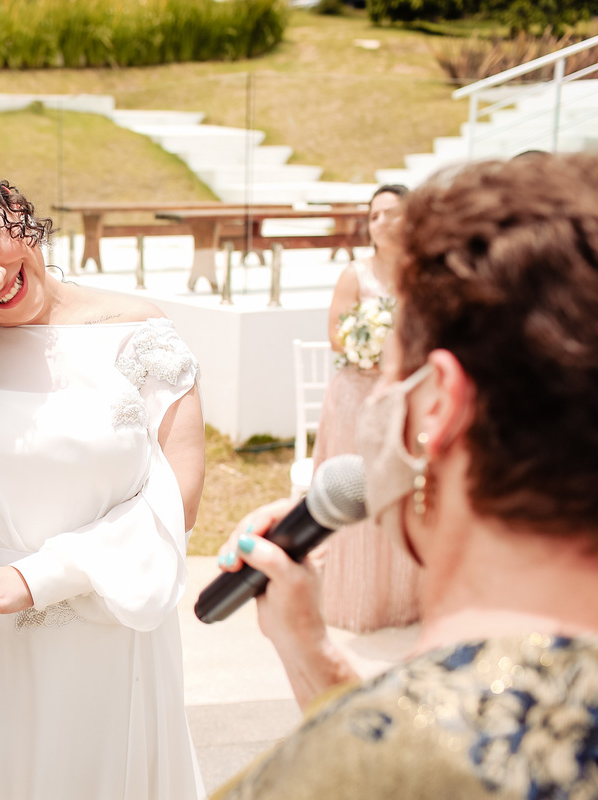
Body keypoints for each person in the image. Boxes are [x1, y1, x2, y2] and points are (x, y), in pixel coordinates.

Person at [213, 154, 598, 799]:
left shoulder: (325, 778)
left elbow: (402, 764)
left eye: (393, 373)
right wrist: (310, 653)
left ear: (435, 406)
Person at [0, 161, 208, 799]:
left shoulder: (140, 333)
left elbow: (179, 499)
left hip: (116, 634)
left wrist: (37, 578)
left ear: (16, 208)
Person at [312, 184, 421, 633]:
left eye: (391, 213)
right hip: (355, 398)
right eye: (374, 215)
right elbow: (337, 336)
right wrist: (374, 349)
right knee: (358, 490)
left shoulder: (423, 275)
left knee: (401, 489)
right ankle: (355, 599)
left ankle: (403, 600)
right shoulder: (355, 275)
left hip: (405, 398)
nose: (381, 223)